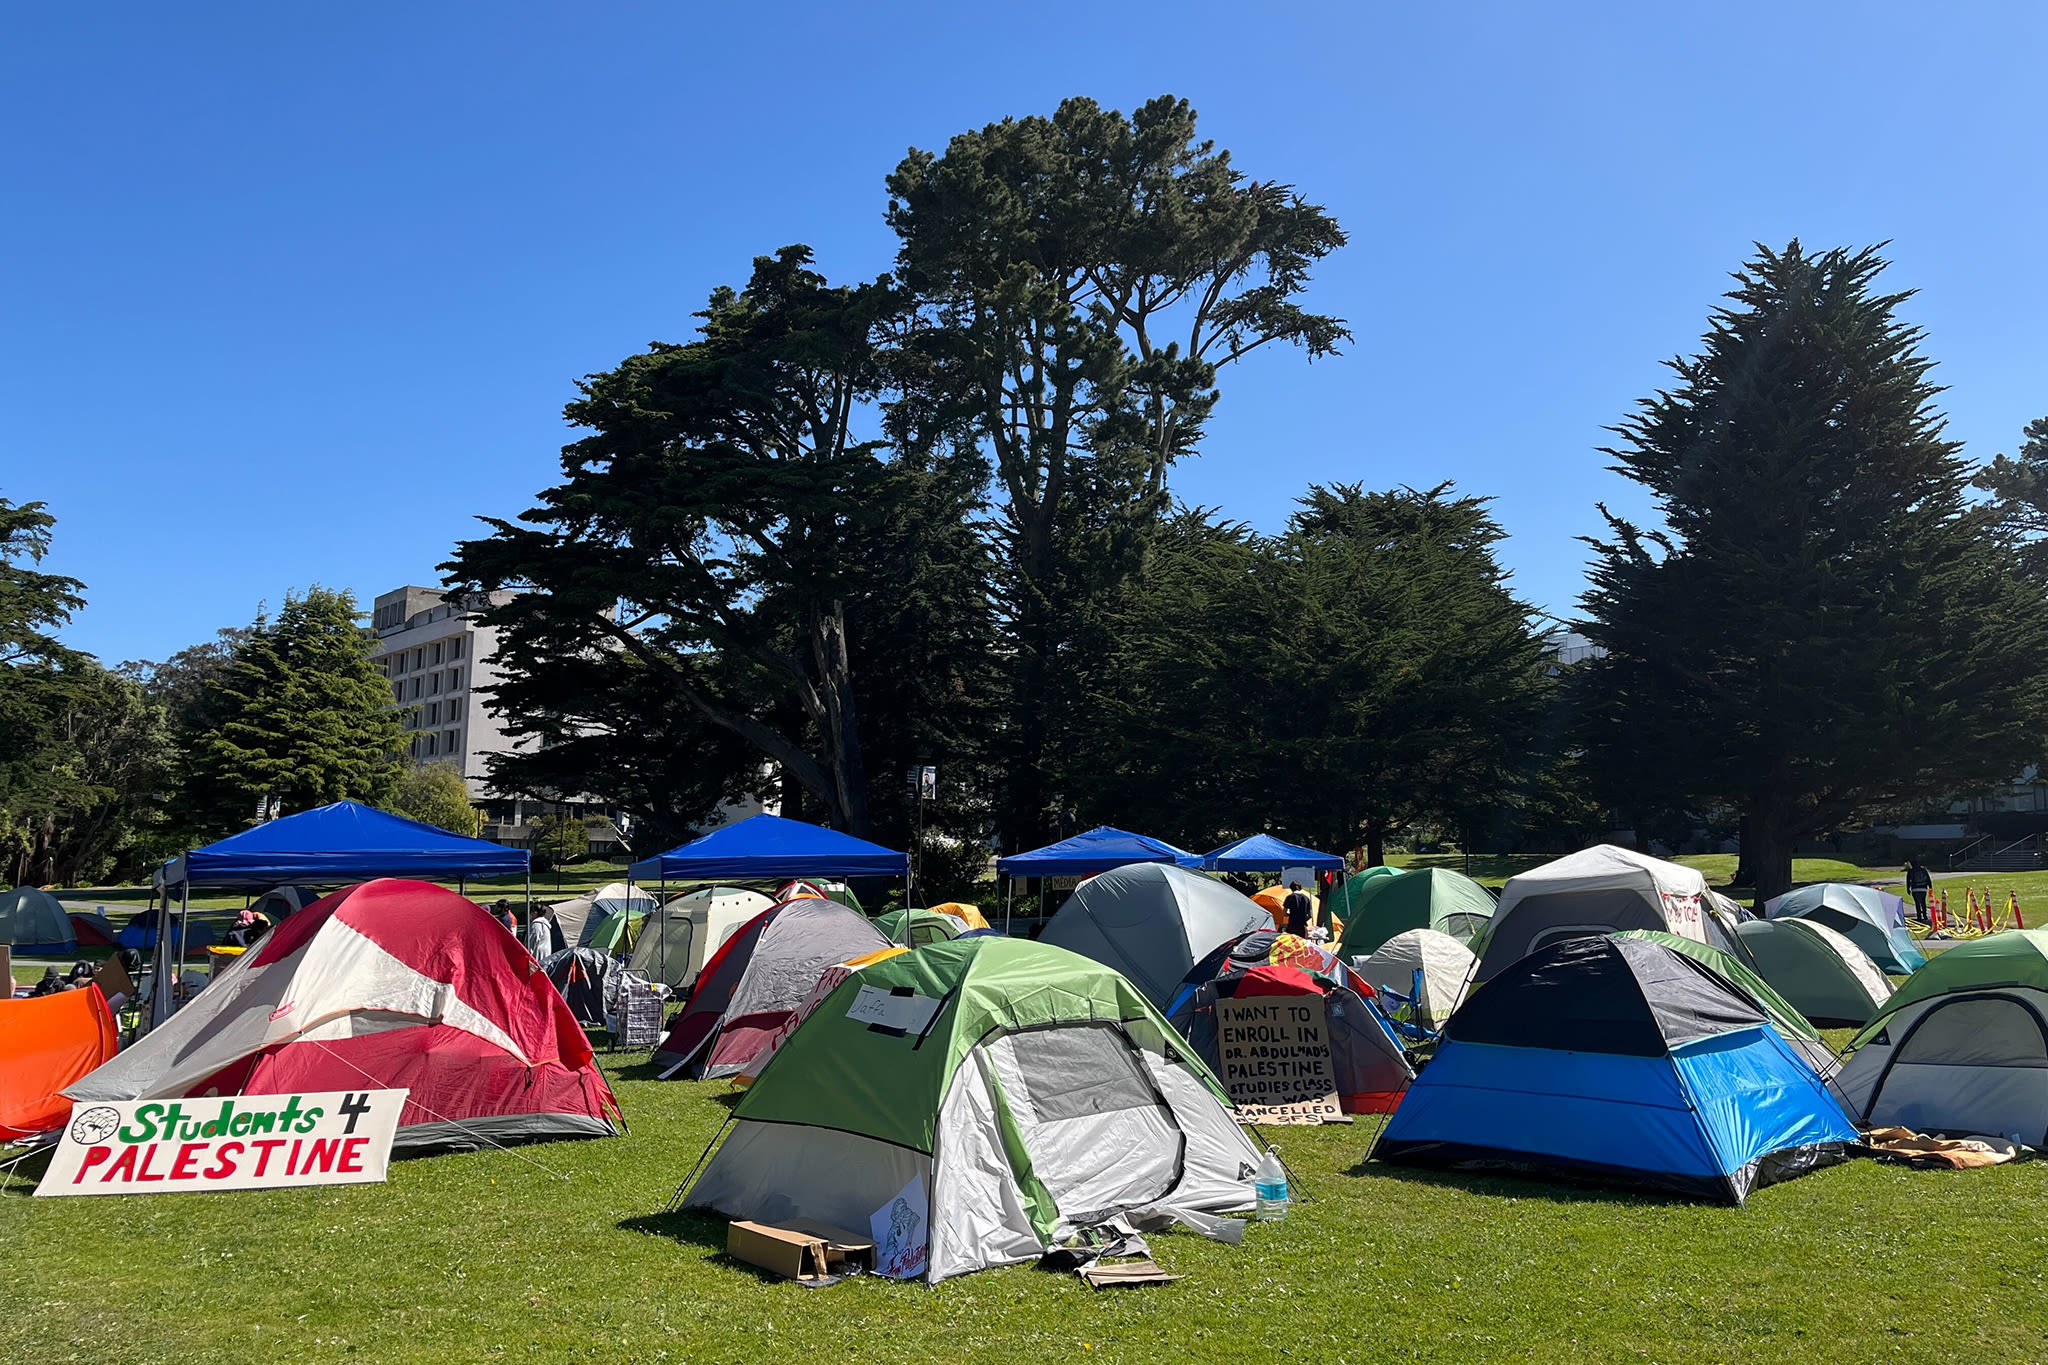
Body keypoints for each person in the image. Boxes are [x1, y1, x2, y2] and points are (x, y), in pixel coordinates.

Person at [1905, 857, 1933, 923]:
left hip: (1915, 889)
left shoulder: (1911, 871)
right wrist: (1930, 887)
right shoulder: (1923, 870)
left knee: (1917, 903)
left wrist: (1908, 889)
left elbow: (1908, 881)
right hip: (1923, 888)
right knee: (1923, 902)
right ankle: (1925, 915)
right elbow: (1928, 879)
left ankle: (1919, 916)